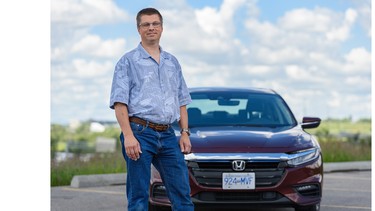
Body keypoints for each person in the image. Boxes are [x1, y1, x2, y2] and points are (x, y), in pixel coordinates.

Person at [109, 7, 194, 211]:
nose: (151, 28)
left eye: (155, 24)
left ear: (162, 28)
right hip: (139, 133)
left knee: (182, 194)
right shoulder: (127, 62)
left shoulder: (172, 62)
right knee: (139, 196)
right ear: (138, 29)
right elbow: (120, 102)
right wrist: (128, 136)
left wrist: (184, 133)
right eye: (146, 24)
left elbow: (181, 100)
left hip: (167, 134)